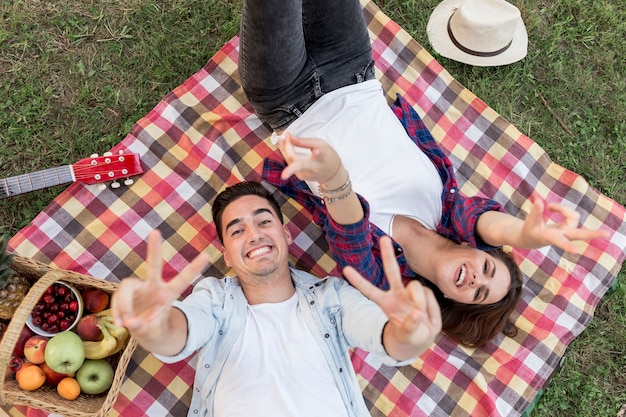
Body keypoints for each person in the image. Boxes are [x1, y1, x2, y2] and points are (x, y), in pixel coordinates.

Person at [236, 0, 609, 346]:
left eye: (478, 292)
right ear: (473, 247)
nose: (477, 278)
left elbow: (346, 227)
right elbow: (488, 222)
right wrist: (525, 233)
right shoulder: (450, 210)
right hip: (352, 67)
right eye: (486, 268)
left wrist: (335, 177)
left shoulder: (384, 277)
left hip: (287, 100)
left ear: (452, 299)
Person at [111, 181, 442, 417]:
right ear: (226, 254)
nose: (254, 234)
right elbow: (181, 330)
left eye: (264, 221)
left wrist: (408, 335)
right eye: (237, 230)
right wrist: (155, 326)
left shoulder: (333, 297)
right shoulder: (215, 298)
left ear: (285, 235)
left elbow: (383, 335)